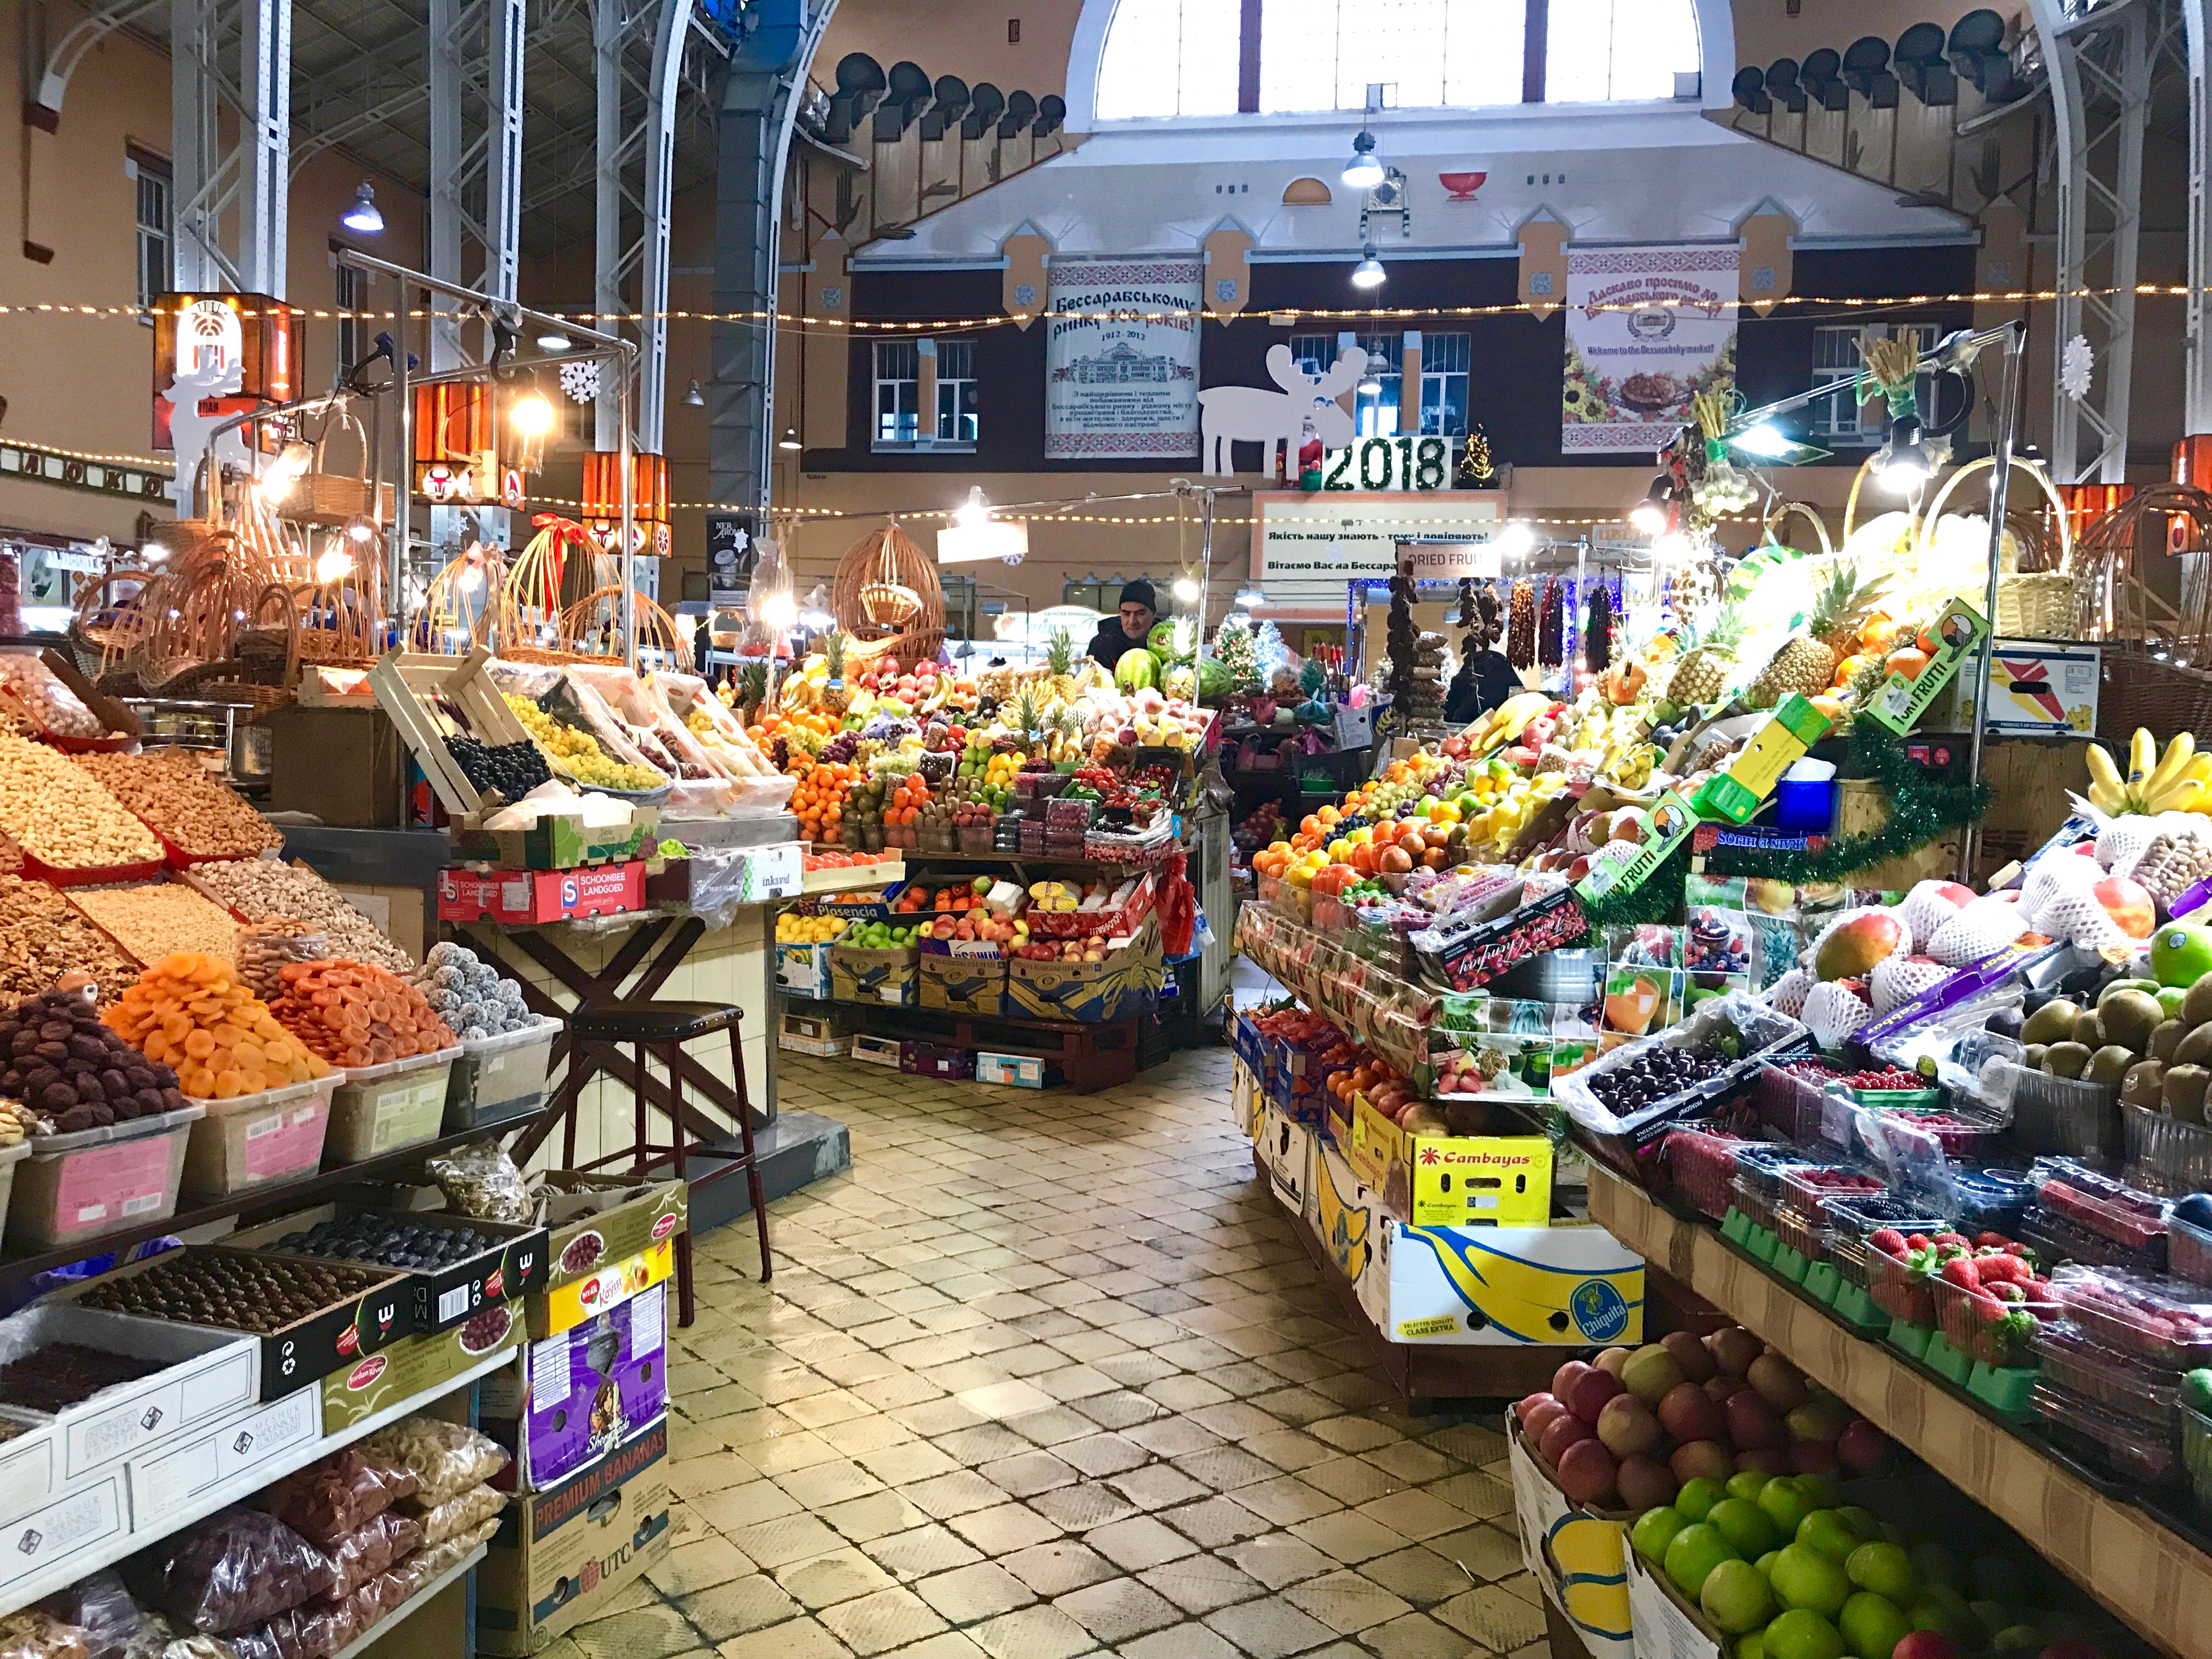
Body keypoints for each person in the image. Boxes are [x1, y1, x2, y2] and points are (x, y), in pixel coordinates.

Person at [1085, 580, 1158, 672]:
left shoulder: (1166, 643)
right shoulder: (1102, 644)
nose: (1132, 622)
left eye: (1140, 614)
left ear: (1153, 614)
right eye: (1126, 614)